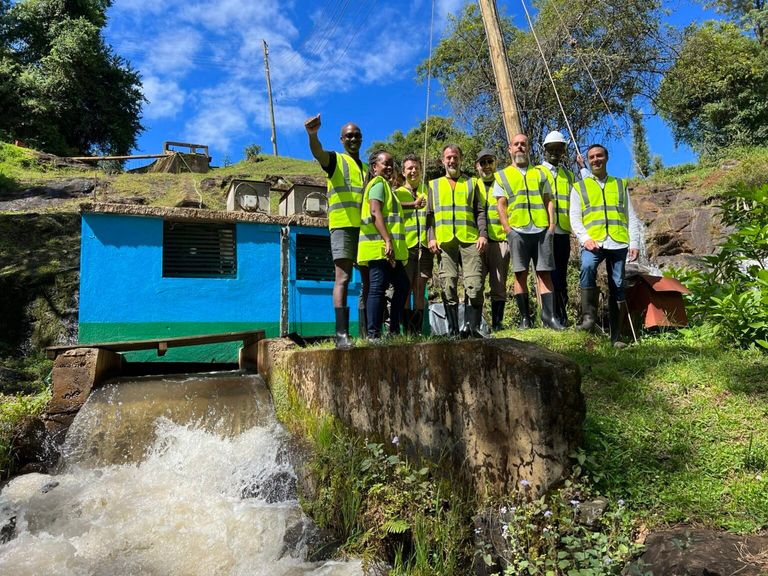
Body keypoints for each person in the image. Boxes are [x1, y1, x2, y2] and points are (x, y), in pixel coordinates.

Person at [569, 143, 642, 348]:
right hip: (593, 241)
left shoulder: (619, 184)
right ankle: (588, 320)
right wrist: (585, 238)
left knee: (618, 284)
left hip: (618, 242)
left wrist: (634, 242)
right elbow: (574, 218)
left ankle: (615, 337)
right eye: (592, 157)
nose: (596, 160)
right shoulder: (579, 187)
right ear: (588, 160)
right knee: (587, 266)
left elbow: (630, 215)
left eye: (599, 156)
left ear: (606, 158)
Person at [304, 114, 367, 349]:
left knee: (368, 280)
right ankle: (341, 335)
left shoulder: (367, 169)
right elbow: (318, 152)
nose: (353, 139)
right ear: (342, 139)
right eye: (349, 136)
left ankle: (367, 333)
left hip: (365, 230)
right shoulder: (335, 160)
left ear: (361, 139)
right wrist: (313, 135)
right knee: (343, 278)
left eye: (357, 135)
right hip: (342, 226)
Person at [493, 133, 563, 330]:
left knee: (545, 273)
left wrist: (551, 226)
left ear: (529, 148)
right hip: (517, 231)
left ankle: (549, 317)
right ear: (510, 149)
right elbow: (501, 205)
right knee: (520, 274)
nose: (520, 147)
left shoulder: (540, 173)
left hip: (541, 230)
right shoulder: (502, 175)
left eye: (523, 144)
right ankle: (525, 319)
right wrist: (508, 230)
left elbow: (548, 200)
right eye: (516, 144)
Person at [426, 144, 487, 337]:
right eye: (448, 157)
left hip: (470, 241)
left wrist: (483, 234)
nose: (452, 161)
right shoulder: (433, 185)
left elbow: (479, 211)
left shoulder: (472, 183)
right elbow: (429, 215)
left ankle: (472, 329)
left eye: (455, 157)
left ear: (461, 159)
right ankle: (453, 330)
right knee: (448, 285)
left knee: (474, 285)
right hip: (445, 243)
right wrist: (431, 237)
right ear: (443, 161)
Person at [358, 150, 410, 339]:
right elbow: (375, 212)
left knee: (402, 286)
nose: (389, 167)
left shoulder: (387, 188)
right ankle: (373, 335)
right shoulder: (378, 184)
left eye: (391, 163)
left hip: (388, 251)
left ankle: (393, 330)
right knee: (377, 289)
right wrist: (387, 240)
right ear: (374, 167)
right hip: (378, 248)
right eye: (385, 163)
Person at [535, 131, 576, 326]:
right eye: (551, 149)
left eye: (559, 149)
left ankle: (562, 315)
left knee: (561, 273)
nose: (555, 152)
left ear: (563, 151)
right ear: (544, 150)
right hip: (544, 231)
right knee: (548, 273)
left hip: (563, 230)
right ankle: (551, 315)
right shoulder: (537, 172)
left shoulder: (569, 175)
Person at [394, 154, 431, 334]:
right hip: (406, 247)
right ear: (403, 172)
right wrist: (412, 204)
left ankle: (417, 331)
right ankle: (406, 331)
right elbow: (391, 207)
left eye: (416, 167)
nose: (413, 171)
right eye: (409, 168)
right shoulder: (397, 193)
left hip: (424, 246)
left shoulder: (428, 191)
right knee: (406, 287)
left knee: (420, 287)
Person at [474, 148, 509, 331]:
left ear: (495, 163)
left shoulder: (503, 182)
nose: (486, 166)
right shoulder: (472, 185)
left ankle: (497, 324)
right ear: (476, 166)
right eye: (483, 162)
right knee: (475, 283)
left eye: (490, 162)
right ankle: (475, 324)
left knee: (499, 284)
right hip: (477, 242)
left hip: (499, 240)